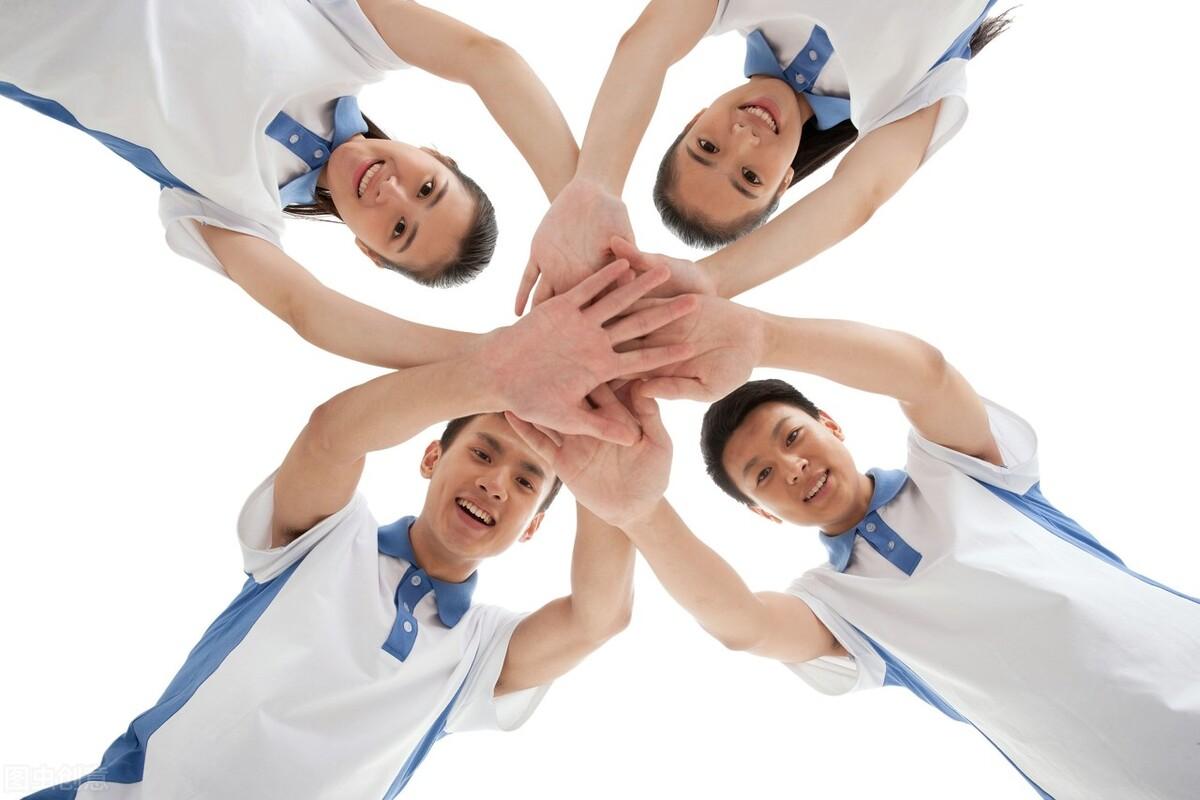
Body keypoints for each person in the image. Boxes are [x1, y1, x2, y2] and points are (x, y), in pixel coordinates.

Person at [21, 261, 696, 799]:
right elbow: (331, 436)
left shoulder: (477, 652)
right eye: (483, 452)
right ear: (432, 458)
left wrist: (611, 448)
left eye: (526, 482)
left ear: (531, 528)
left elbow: (598, 618)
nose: (497, 483)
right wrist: (502, 376)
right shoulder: (328, 537)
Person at [587, 295, 1200, 799]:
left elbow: (926, 375)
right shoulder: (835, 602)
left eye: (792, 437)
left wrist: (763, 335)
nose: (793, 467)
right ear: (761, 512)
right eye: (764, 475)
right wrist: (641, 511)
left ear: (831, 424)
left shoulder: (956, 468)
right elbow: (745, 625)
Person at [1, 0, 579, 369]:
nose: (393, 194)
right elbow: (488, 59)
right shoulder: (352, 41)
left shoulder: (235, 209)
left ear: (369, 252)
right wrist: (579, 213)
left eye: (400, 230)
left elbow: (309, 311)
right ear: (434, 155)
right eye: (428, 188)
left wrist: (495, 358)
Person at [516, 0, 1009, 311]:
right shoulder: (901, 103)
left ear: (694, 119)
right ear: (785, 182)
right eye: (750, 177)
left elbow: (646, 43)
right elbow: (859, 196)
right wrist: (710, 281)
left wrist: (595, 186)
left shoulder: (733, 7)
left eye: (707, 147)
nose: (744, 139)